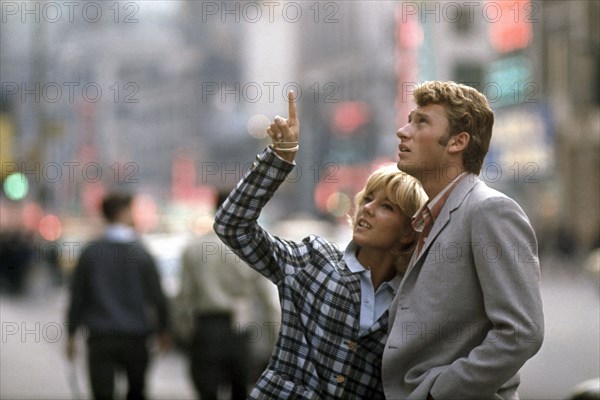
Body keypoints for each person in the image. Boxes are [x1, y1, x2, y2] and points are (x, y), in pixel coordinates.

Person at [213, 91, 428, 399]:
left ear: (408, 232)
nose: (367, 208)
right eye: (368, 199)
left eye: (387, 207)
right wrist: (279, 159)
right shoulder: (313, 261)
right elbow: (231, 225)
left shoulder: (415, 300)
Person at [382, 80, 544, 399]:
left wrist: (440, 392)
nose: (403, 131)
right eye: (409, 120)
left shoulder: (489, 211)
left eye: (422, 122)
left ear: (458, 141)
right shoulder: (428, 217)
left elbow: (522, 332)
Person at [66, 191, 171, 400]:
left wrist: (71, 333)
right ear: (123, 213)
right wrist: (164, 330)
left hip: (100, 336)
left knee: (102, 393)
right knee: (136, 391)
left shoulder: (91, 252)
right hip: (136, 335)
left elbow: (78, 296)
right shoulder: (142, 252)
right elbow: (157, 295)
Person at [176, 191, 278, 400]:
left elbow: (184, 298)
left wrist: (185, 333)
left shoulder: (194, 248)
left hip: (206, 328)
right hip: (241, 328)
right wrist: (275, 340)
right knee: (240, 389)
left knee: (207, 390)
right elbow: (270, 302)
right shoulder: (252, 249)